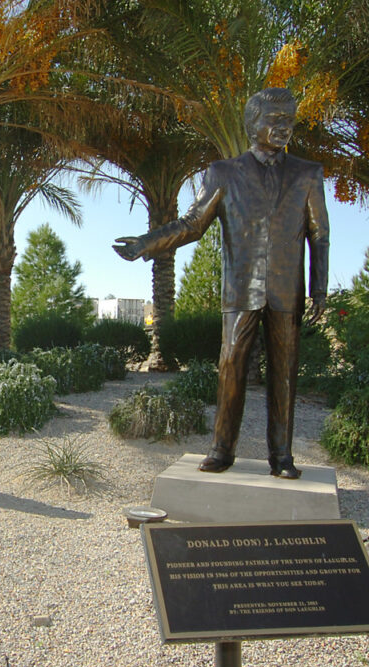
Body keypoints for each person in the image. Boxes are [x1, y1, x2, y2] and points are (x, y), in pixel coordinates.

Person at [113, 88, 329, 479]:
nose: (283, 127)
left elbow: (320, 235)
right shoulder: (224, 173)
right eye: (274, 119)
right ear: (252, 123)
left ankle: (282, 456)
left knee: (285, 374)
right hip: (240, 291)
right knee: (230, 366)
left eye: (288, 120)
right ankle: (221, 450)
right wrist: (147, 243)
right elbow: (192, 224)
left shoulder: (308, 173)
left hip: (287, 292)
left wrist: (319, 289)